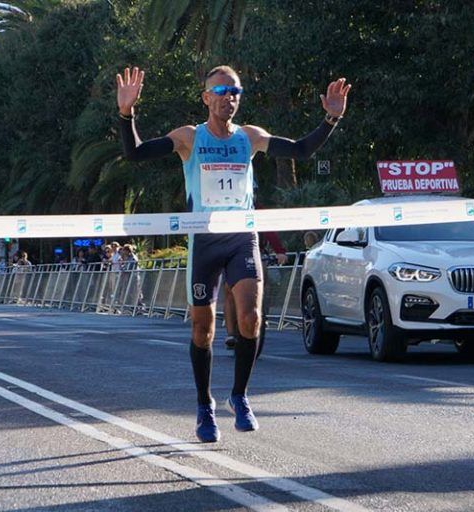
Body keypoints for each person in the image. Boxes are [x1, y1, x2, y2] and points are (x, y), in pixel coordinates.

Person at [117, 65, 350, 442]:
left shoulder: (249, 137)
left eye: (235, 92)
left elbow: (301, 150)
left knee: (251, 318)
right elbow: (135, 153)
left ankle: (239, 396)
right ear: (206, 98)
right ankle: (204, 405)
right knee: (202, 328)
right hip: (204, 242)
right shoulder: (190, 137)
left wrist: (331, 119)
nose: (229, 98)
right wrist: (126, 113)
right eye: (222, 91)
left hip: (242, 238)